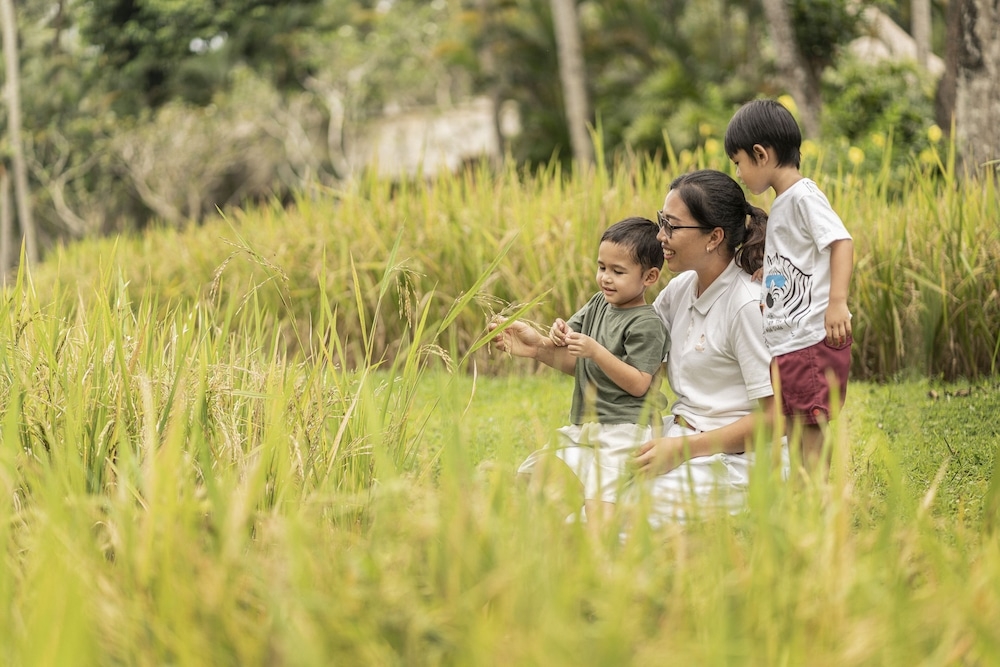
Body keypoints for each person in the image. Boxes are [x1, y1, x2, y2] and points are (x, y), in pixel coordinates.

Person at [495, 170, 788, 527]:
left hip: (732, 457)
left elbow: (777, 419)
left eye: (672, 227)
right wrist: (540, 349)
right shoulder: (680, 290)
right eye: (662, 222)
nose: (660, 236)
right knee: (543, 478)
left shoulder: (744, 306)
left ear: (714, 237)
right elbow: (626, 368)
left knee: (599, 519)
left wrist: (682, 450)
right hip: (672, 435)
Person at [493, 217, 670, 530]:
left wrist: (596, 351)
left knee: (600, 504)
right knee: (535, 476)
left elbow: (641, 384)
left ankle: (600, 540)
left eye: (618, 272)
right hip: (588, 424)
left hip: (627, 428)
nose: (606, 278)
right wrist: (553, 334)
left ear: (650, 277)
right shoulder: (598, 303)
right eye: (602, 267)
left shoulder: (647, 324)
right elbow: (565, 342)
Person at [724, 98, 854, 475]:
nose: (739, 174)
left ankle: (816, 493)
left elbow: (841, 242)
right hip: (791, 341)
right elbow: (802, 258)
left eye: (739, 163)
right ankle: (804, 487)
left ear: (761, 154)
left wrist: (837, 302)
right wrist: (772, 275)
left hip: (811, 337)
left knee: (811, 421)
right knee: (797, 418)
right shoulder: (785, 202)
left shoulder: (803, 195)